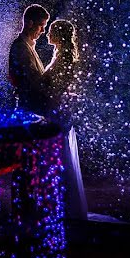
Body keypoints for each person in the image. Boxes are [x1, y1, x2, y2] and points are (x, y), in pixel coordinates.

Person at [45, 19, 89, 220]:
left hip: (58, 112)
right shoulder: (63, 55)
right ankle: (64, 203)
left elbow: (55, 86)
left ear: (59, 35)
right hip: (61, 111)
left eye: (51, 31)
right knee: (62, 154)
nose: (47, 34)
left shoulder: (63, 57)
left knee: (59, 154)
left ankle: (62, 205)